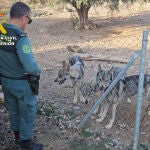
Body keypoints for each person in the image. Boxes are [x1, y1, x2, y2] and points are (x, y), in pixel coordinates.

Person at [0, 2, 43, 150]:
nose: (28, 24)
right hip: (21, 84)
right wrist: (38, 71)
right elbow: (31, 67)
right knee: (27, 112)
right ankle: (25, 144)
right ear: (24, 18)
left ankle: (18, 137)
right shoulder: (20, 38)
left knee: (13, 110)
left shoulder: (1, 32)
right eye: (29, 21)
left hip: (5, 81)